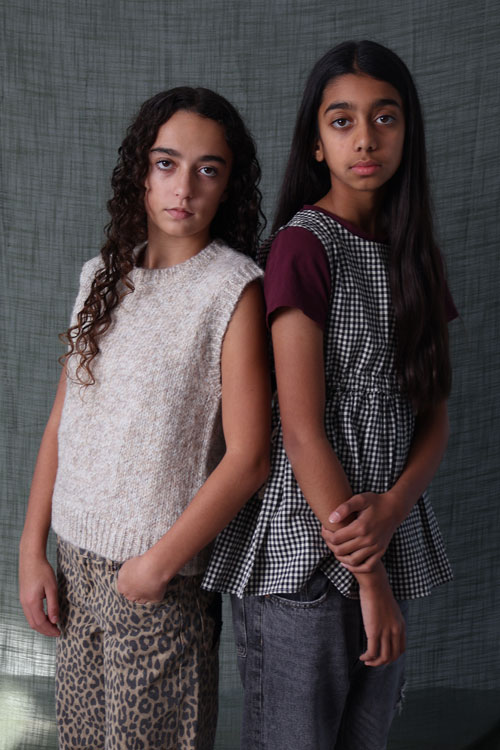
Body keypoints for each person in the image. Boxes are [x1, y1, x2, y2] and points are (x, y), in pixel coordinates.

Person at [203, 40, 457, 749]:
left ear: (408, 133)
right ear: (316, 143)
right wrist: (369, 581)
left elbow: (433, 412)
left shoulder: (418, 257)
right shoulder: (304, 245)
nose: (365, 138)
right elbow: (302, 427)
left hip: (386, 533)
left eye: (385, 118)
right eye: (342, 121)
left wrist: (394, 509)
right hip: (309, 549)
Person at [18, 86, 270, 750]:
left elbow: (250, 457)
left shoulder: (232, 290)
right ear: (141, 170)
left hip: (156, 582)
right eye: (166, 163)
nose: (184, 186)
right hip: (73, 567)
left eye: (208, 169)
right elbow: (62, 422)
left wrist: (158, 565)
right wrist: (31, 550)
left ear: (228, 185)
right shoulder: (100, 277)